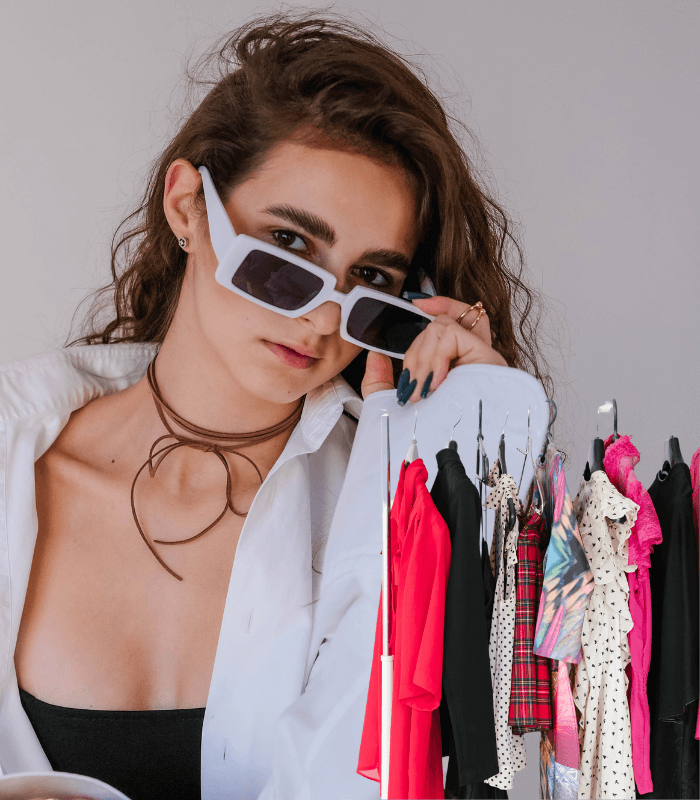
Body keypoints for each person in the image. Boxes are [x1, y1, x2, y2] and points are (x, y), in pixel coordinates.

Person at [0, 11, 551, 800]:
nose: (323, 318)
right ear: (188, 206)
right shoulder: (13, 467)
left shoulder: (388, 510)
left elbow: (374, 780)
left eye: (372, 282)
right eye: (288, 247)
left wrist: (468, 426)